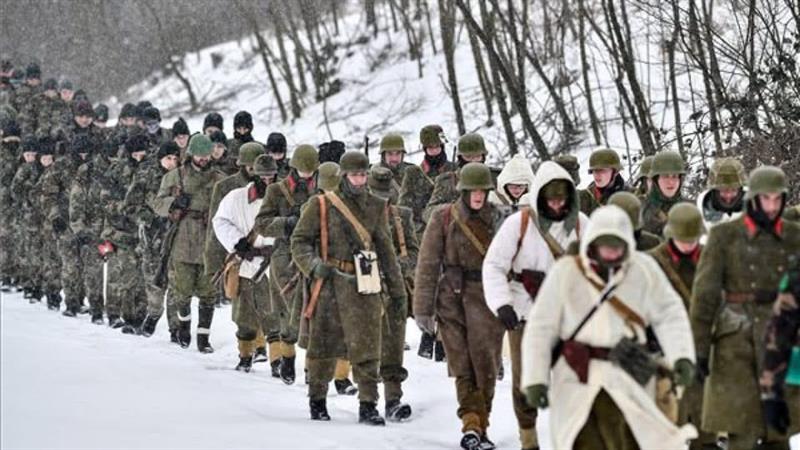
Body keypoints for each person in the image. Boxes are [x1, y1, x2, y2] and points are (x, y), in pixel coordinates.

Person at [522, 205, 697, 450]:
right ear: (592, 242)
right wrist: (535, 379)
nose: (612, 250)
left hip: (628, 369)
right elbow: (541, 327)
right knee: (582, 440)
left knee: (633, 440)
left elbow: (670, 314)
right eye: (605, 243)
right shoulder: (566, 272)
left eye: (617, 243)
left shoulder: (643, 269)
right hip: (577, 374)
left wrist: (682, 356)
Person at [291, 151, 406, 426]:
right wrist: (313, 266)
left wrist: (398, 291)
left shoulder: (376, 206)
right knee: (322, 346)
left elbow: (386, 251)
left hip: (365, 283)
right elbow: (299, 241)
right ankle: (317, 400)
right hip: (329, 283)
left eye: (363, 174)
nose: (360, 180)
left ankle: (368, 405)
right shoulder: (320, 204)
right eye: (355, 175)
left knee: (368, 348)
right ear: (343, 176)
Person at [691, 166, 800, 450]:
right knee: (742, 427)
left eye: (777, 199)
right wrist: (699, 351)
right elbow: (705, 296)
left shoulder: (793, 236)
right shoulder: (724, 235)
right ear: (753, 199)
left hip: (782, 338)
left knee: (780, 428)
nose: (772, 207)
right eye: (765, 199)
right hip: (735, 340)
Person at [482, 160, 588, 450]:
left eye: (561, 198)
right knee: (526, 381)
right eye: (550, 198)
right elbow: (494, 265)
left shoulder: (582, 224)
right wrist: (502, 304)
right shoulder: (519, 224)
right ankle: (528, 436)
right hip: (525, 311)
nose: (556, 204)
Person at [415, 163, 506, 450]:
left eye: (482, 191)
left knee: (486, 368)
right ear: (463, 191)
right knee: (462, 365)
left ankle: (481, 424)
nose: (478, 196)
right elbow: (428, 264)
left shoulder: (500, 218)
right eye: (472, 190)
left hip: (489, 299)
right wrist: (423, 308)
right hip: (451, 301)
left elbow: (511, 262)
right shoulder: (443, 218)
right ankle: (471, 424)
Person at [647, 203, 712, 449]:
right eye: (682, 239)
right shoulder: (652, 262)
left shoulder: (711, 258)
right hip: (664, 351)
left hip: (703, 349)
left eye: (692, 239)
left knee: (705, 429)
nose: (687, 244)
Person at [153, 134, 225, 352]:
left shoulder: (220, 179)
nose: (203, 159)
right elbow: (157, 204)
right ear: (191, 154)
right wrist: (174, 202)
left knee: (208, 291)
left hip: (209, 237)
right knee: (182, 290)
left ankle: (204, 337)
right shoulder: (176, 176)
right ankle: (183, 326)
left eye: (207, 155)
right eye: (200, 155)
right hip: (183, 236)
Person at [255, 144, 320, 384]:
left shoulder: (322, 190)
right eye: (303, 170)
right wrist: (288, 223)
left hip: (314, 253)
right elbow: (262, 224)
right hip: (284, 255)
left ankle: (312, 367)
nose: (307, 175)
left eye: (311, 171)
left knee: (314, 310)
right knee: (288, 311)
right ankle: (288, 356)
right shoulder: (276, 190)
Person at [212, 154, 279, 372]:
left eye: (271, 177)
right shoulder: (236, 198)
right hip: (245, 262)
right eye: (263, 177)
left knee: (274, 315)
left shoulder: (284, 198)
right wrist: (237, 242)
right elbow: (220, 221)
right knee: (244, 315)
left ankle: (277, 360)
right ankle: (245, 355)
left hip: (273, 263)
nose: (267, 181)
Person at [367, 166, 419, 421]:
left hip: (395, 289)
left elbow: (413, 250)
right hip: (365, 287)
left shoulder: (402, 216)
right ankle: (367, 401)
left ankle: (392, 399)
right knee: (366, 346)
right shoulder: (356, 216)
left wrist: (400, 265)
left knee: (393, 346)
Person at [125, 141, 180, 337]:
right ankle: (154, 314)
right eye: (168, 158)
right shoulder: (146, 175)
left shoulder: (183, 176)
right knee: (153, 279)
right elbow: (130, 205)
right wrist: (147, 218)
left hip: (177, 234)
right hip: (152, 234)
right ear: (160, 158)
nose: (172, 162)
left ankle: (176, 327)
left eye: (175, 158)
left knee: (176, 280)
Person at [399, 124, 457, 235]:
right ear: (425, 149)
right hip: (425, 232)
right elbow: (405, 209)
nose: (435, 151)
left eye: (437, 147)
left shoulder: (455, 170)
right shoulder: (415, 176)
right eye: (430, 148)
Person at [642, 150, 690, 236]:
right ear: (656, 180)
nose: (671, 182)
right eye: (665, 176)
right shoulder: (640, 210)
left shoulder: (691, 208)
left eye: (674, 176)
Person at [696, 157, 746, 238]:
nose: (728, 195)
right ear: (714, 191)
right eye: (723, 190)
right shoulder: (699, 217)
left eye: (733, 190)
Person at [578, 147, 628, 216]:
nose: (597, 175)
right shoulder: (583, 198)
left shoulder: (632, 197)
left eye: (602, 170)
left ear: (615, 172)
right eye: (594, 171)